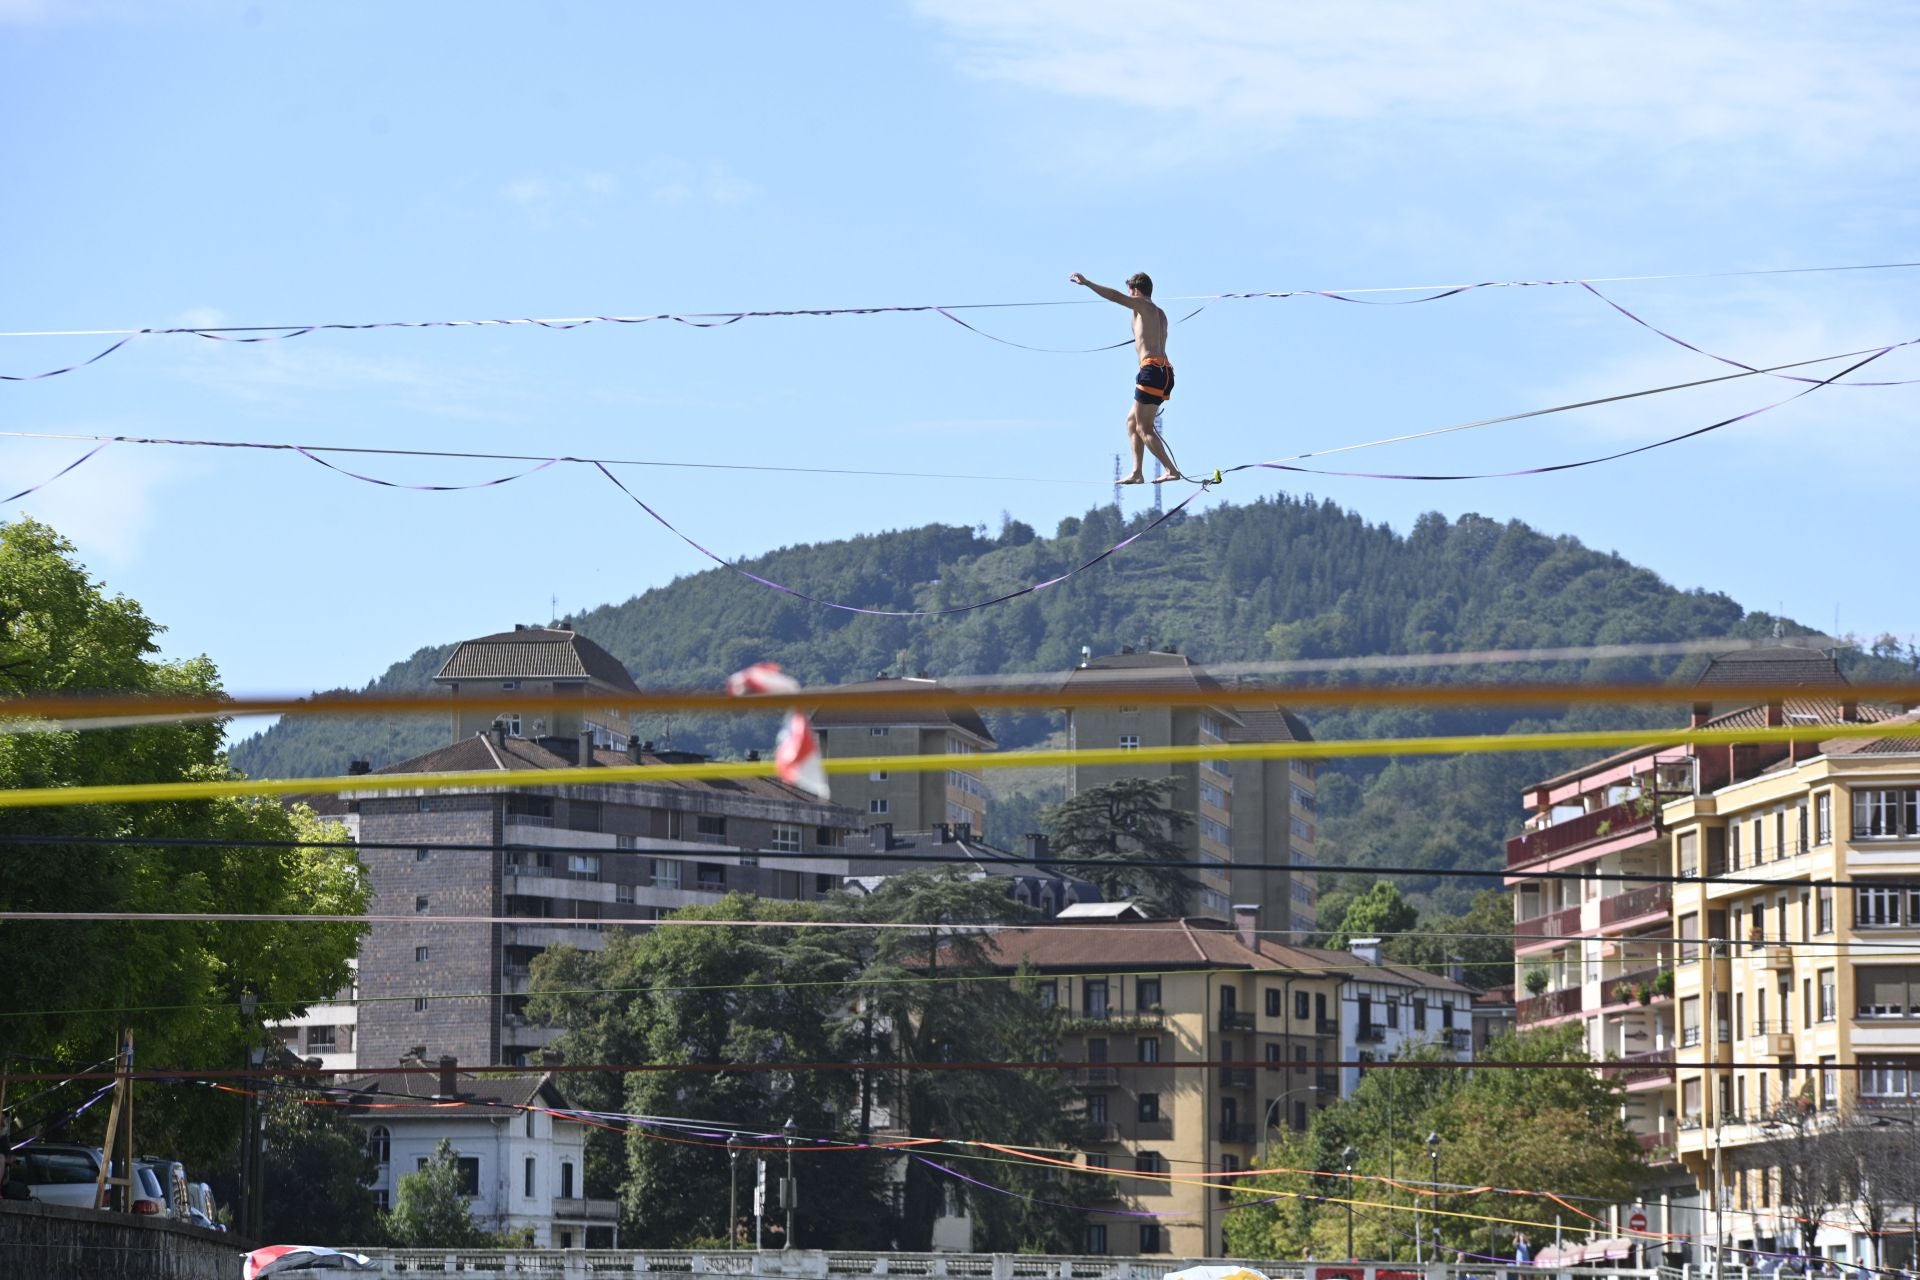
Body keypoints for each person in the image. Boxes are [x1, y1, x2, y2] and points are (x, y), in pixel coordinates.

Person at [1068, 270, 1184, 484]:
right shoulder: (1160, 313)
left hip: (1151, 371)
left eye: (1130, 292)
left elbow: (1114, 297)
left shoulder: (1142, 305)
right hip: (1165, 373)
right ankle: (1137, 472)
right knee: (1132, 421)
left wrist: (1087, 283)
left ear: (1136, 291)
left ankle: (1171, 469)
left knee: (1144, 427)